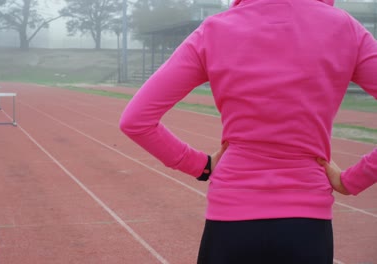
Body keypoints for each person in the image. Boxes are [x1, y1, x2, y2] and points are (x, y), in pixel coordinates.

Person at [119, 0, 377, 263]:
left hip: (230, 222)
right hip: (307, 225)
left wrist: (201, 165)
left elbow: (136, 120)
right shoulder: (345, 29)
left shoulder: (214, 30)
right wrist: (352, 180)